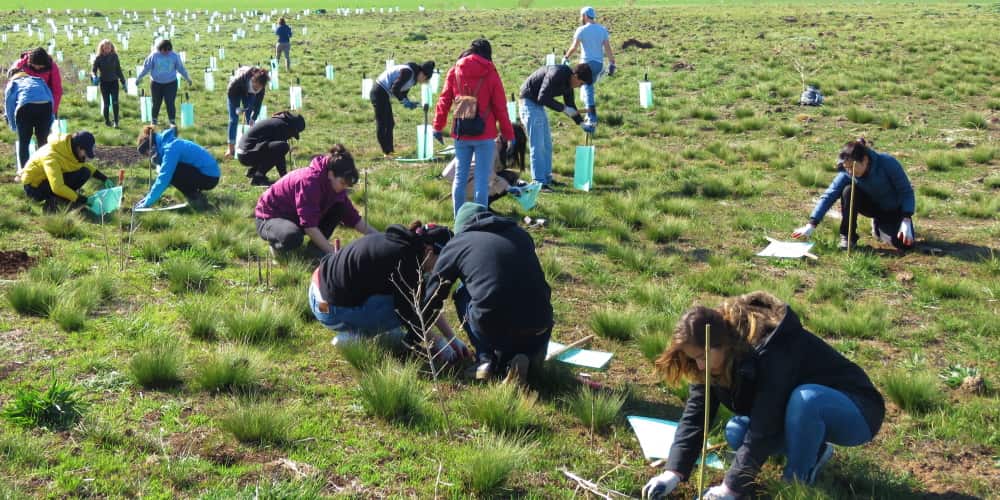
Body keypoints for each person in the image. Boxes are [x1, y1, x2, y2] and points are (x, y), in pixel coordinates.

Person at [642, 291, 885, 500]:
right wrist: (673, 473)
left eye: (703, 357)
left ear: (723, 344)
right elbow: (695, 417)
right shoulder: (708, 363)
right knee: (737, 431)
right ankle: (816, 451)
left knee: (807, 399)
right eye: (694, 359)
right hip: (798, 414)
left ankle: (795, 484)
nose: (700, 366)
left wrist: (729, 488)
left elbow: (764, 426)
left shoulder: (770, 351)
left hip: (858, 412)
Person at [422, 203, 553, 385]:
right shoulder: (521, 234)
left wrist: (418, 333)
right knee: (520, 305)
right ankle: (527, 360)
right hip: (541, 323)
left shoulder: (458, 243)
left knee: (462, 294)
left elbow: (433, 295)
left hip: (495, 323)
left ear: (461, 227)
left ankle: (485, 361)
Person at [311, 220, 472, 364]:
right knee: (399, 311)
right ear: (430, 250)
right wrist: (438, 343)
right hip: (326, 308)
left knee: (404, 305)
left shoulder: (408, 245)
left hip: (316, 288)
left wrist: (452, 338)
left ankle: (370, 330)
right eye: (443, 260)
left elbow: (427, 301)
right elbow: (411, 314)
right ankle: (353, 338)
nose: (443, 266)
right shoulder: (405, 263)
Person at [432, 39, 516, 216]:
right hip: (485, 135)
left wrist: (438, 126)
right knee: (482, 180)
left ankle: (459, 219)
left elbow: (444, 101)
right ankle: (480, 220)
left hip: (461, 132)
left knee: (460, 178)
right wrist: (508, 134)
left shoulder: (455, 71)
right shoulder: (491, 72)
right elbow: (500, 106)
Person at [792, 138, 916, 250]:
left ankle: (879, 226)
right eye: (847, 168)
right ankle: (848, 237)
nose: (850, 171)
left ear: (865, 160)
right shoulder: (847, 173)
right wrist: (811, 224)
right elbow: (829, 196)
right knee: (848, 190)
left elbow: (906, 192)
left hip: (894, 210)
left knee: (904, 245)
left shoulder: (887, 163)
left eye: (852, 167)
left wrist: (906, 219)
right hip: (870, 206)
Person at [255, 144, 377, 256]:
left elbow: (353, 218)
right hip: (270, 218)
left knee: (340, 208)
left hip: (296, 217)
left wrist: (380, 237)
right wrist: (334, 253)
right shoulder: (309, 182)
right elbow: (309, 226)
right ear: (330, 174)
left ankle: (315, 249)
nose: (344, 188)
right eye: (342, 183)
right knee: (292, 237)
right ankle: (277, 246)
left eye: (347, 185)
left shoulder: (335, 186)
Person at [519, 63, 593, 192]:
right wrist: (563, 109)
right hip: (529, 103)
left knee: (547, 145)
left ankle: (547, 179)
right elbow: (542, 98)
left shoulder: (569, 84)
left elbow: (570, 105)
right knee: (538, 145)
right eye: (580, 83)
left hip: (537, 105)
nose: (580, 86)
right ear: (575, 76)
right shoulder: (557, 73)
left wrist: (581, 124)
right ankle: (538, 182)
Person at [20, 131, 113, 211]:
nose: (86, 156)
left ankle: (65, 199)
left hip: (48, 181)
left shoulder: (68, 149)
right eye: (85, 152)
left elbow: (82, 165)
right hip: (34, 188)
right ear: (79, 148)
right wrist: (84, 200)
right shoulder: (51, 157)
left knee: (84, 172)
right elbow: (57, 187)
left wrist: (104, 178)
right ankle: (56, 202)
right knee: (64, 187)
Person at [441, 123, 526, 207]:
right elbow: (485, 171)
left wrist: (518, 181)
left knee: (510, 177)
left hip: (467, 179)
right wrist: (508, 187)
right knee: (505, 182)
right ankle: (481, 206)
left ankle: (479, 203)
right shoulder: (492, 147)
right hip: (462, 181)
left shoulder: (497, 145)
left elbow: (494, 170)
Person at [134, 125, 220, 210]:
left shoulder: (170, 148)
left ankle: (195, 197)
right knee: (170, 170)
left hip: (210, 178)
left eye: (148, 154)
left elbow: (163, 178)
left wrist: (147, 202)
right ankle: (194, 195)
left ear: (152, 147)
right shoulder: (167, 143)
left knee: (170, 173)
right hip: (207, 174)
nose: (150, 157)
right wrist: (147, 198)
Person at [562, 6, 616, 127]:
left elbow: (574, 47)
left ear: (585, 16)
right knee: (587, 87)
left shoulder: (581, 30)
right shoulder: (602, 29)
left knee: (587, 88)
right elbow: (607, 48)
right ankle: (588, 112)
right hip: (598, 65)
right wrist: (612, 63)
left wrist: (566, 57)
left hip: (586, 65)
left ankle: (592, 116)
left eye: (581, 16)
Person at [371, 60, 435, 158]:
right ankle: (387, 153)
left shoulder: (413, 79)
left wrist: (408, 102)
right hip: (379, 91)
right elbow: (395, 89)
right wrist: (404, 101)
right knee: (384, 123)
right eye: (425, 77)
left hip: (383, 94)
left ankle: (390, 152)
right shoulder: (408, 72)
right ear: (422, 73)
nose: (424, 80)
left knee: (390, 123)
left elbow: (402, 93)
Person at [235, 111, 306, 186]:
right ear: (292, 128)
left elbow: (275, 153)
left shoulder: (279, 122)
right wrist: (285, 177)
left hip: (244, 152)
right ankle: (258, 177)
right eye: (293, 133)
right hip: (247, 154)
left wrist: (284, 176)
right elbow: (279, 155)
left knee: (277, 148)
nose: (291, 136)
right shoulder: (281, 126)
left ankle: (253, 171)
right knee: (283, 147)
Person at [136, 39, 192, 126]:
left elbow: (181, 68)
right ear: (160, 49)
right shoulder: (154, 56)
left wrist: (188, 78)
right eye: (164, 50)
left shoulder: (174, 56)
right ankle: (154, 120)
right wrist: (139, 78)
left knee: (170, 102)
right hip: (156, 84)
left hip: (171, 83)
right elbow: (146, 68)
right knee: (156, 102)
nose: (166, 52)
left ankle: (172, 121)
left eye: (168, 50)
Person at [4, 72, 54, 171]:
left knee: (24, 142)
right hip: (45, 106)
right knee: (43, 141)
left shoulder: (13, 83)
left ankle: (25, 171)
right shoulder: (38, 80)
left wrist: (13, 125)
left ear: (11, 77)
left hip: (25, 107)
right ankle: (46, 169)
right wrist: (51, 118)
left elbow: (9, 105)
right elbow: (50, 98)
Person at [225, 66, 270, 159]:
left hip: (248, 94)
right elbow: (230, 92)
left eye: (259, 88)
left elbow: (258, 106)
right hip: (235, 91)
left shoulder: (261, 88)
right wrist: (237, 107)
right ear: (253, 80)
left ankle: (248, 145)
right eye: (255, 86)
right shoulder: (238, 80)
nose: (257, 89)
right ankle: (231, 148)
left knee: (249, 118)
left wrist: (253, 118)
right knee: (233, 119)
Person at [7, 47, 63, 119]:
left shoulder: (52, 67)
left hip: (45, 101)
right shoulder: (20, 65)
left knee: (45, 128)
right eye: (36, 66)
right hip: (25, 102)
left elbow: (57, 90)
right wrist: (11, 111)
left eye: (41, 67)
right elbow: (11, 89)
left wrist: (52, 110)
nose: (38, 68)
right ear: (31, 62)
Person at [91, 39, 127, 128]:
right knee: (106, 103)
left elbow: (118, 70)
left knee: (115, 102)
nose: (107, 49)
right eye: (105, 48)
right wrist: (94, 77)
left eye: (109, 47)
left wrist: (123, 82)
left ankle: (116, 122)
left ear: (111, 48)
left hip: (114, 82)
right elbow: (93, 70)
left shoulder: (114, 56)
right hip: (104, 83)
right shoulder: (98, 58)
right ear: (102, 48)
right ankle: (107, 121)